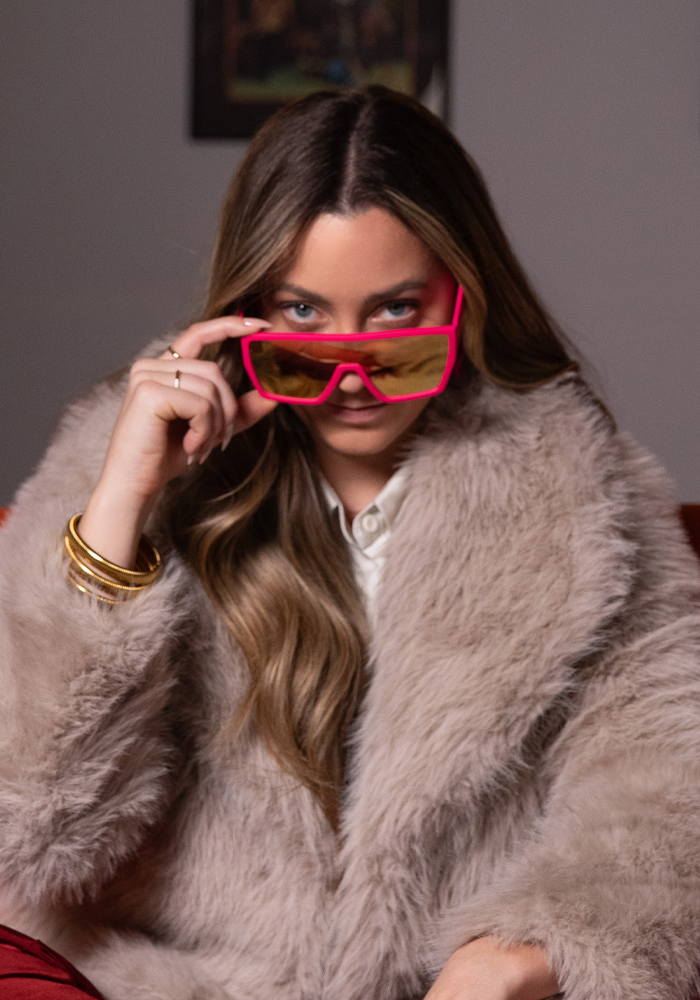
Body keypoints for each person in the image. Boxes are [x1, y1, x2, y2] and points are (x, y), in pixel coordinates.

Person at [0, 85, 699, 1000]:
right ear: (248, 307)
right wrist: (123, 504)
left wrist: (521, 955)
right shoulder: (116, 475)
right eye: (301, 317)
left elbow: (669, 791)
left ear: (465, 292)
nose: (350, 370)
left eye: (396, 315)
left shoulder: (583, 493)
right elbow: (32, 830)